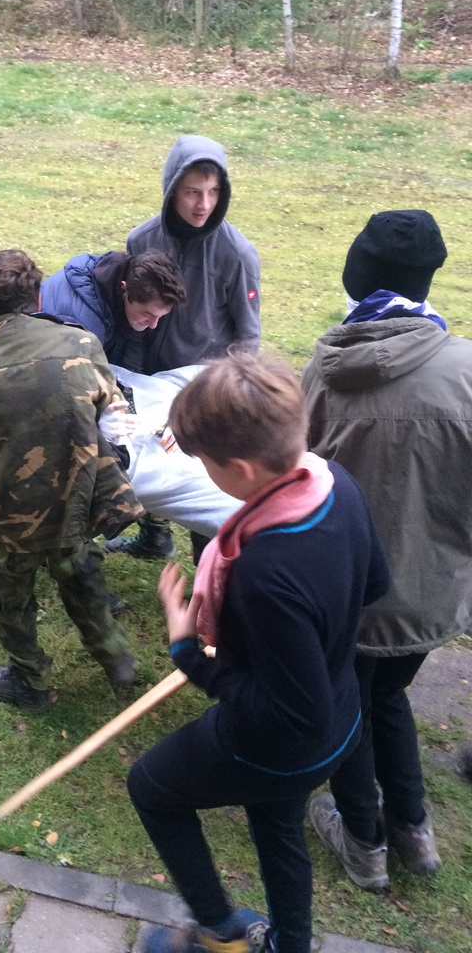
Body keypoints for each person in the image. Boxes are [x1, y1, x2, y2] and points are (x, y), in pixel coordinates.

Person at [126, 353, 389, 953]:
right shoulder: (334, 481)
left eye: (204, 463)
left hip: (281, 746)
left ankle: (220, 932)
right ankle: (289, 944)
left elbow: (294, 714)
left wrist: (188, 650)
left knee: (151, 787)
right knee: (275, 819)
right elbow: (375, 582)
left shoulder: (264, 570)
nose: (201, 472)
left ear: (241, 468)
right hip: (343, 713)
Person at [301, 210, 472, 889]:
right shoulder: (466, 372)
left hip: (344, 591)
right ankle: (415, 833)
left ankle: (366, 843)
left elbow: (295, 477)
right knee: (388, 693)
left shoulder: (323, 371)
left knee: (353, 706)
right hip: (427, 592)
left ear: (356, 276)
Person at [0, 249, 143, 713]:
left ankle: (30, 679)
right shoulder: (81, 342)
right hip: (79, 492)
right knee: (79, 570)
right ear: (38, 297)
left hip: (12, 503)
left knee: (6, 593)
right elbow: (112, 409)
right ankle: (116, 657)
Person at [107, 134, 261, 560]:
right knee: (151, 455)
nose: (203, 204)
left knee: (205, 476)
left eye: (213, 192)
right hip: (149, 373)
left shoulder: (238, 254)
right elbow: (131, 314)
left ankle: (211, 569)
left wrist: (226, 397)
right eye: (192, 192)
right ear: (172, 188)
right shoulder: (142, 240)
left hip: (204, 383)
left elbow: (248, 337)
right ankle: (155, 536)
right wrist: (130, 376)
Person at [40, 249, 186, 373]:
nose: (153, 325)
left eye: (160, 317)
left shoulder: (117, 277)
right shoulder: (83, 328)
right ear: (124, 289)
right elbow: (70, 384)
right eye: (146, 314)